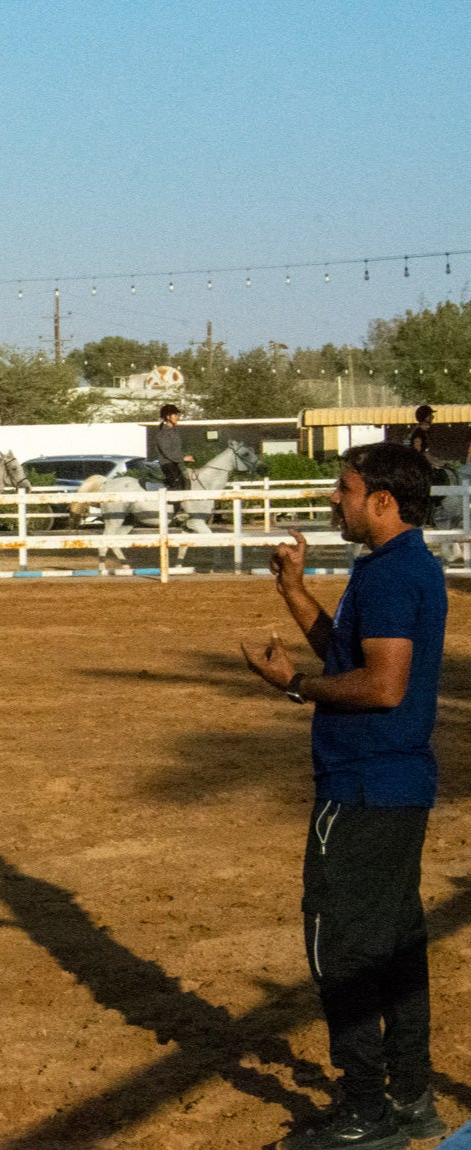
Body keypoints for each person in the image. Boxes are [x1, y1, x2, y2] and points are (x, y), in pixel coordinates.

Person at [242, 442, 447, 1150]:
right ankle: (411, 1097)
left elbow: (381, 684)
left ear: (382, 501)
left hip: (362, 787)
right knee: (396, 945)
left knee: (342, 949)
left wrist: (295, 687)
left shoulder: (392, 576)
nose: (334, 498)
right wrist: (295, 592)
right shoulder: (403, 566)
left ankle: (366, 1110)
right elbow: (355, 657)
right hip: (396, 785)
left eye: (345, 488)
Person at [154, 404, 193, 491]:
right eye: (175, 415)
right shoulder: (163, 434)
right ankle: (175, 504)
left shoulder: (174, 431)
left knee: (185, 483)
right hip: (167, 464)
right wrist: (183, 458)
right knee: (178, 486)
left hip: (174, 463)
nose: (177, 417)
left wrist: (185, 457)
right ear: (168, 417)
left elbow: (176, 450)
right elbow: (167, 452)